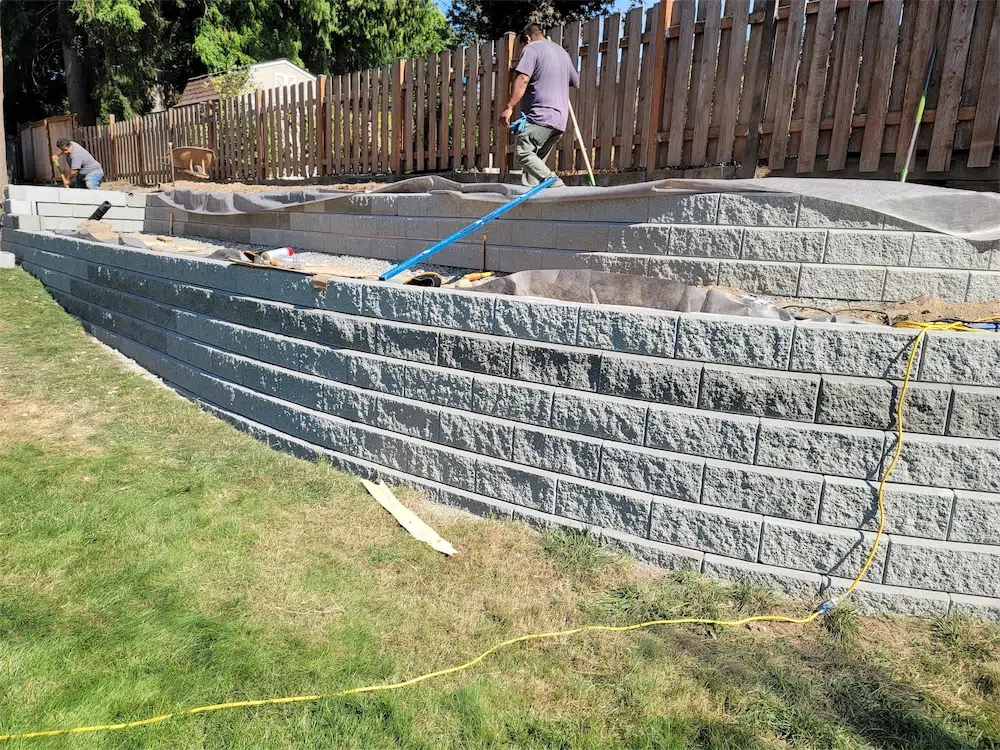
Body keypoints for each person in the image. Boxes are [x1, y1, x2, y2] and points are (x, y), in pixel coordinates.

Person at [499, 23, 578, 187]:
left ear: (527, 38)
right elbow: (575, 82)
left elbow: (523, 79)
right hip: (559, 121)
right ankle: (537, 200)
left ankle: (554, 183)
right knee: (535, 167)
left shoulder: (532, 49)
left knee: (524, 153)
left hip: (540, 116)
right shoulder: (562, 53)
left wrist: (509, 107)